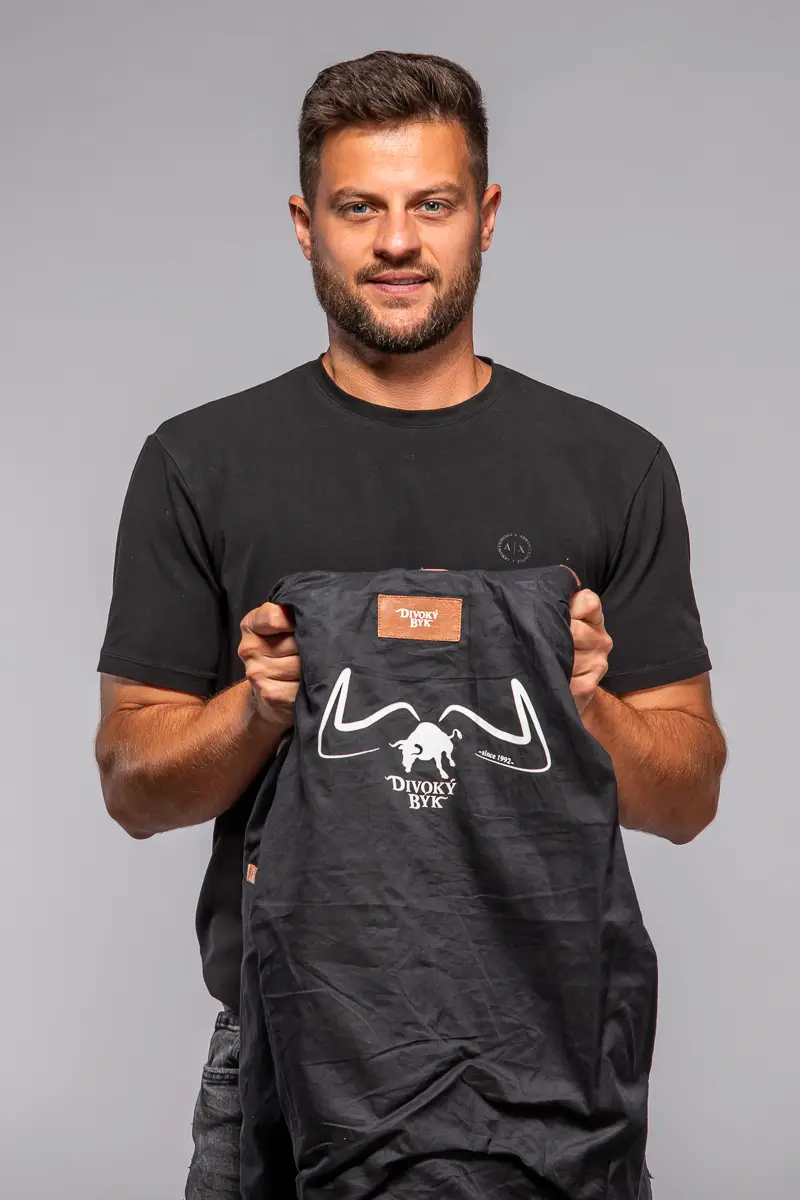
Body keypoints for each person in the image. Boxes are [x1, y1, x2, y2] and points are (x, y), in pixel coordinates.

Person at [94, 49, 727, 1199]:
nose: (396, 241)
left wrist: (583, 703)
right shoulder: (199, 463)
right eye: (358, 208)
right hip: (285, 1053)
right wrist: (257, 707)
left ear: (484, 217)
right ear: (306, 226)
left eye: (431, 204)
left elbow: (685, 799)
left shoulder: (612, 465)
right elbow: (134, 786)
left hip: (548, 1063)